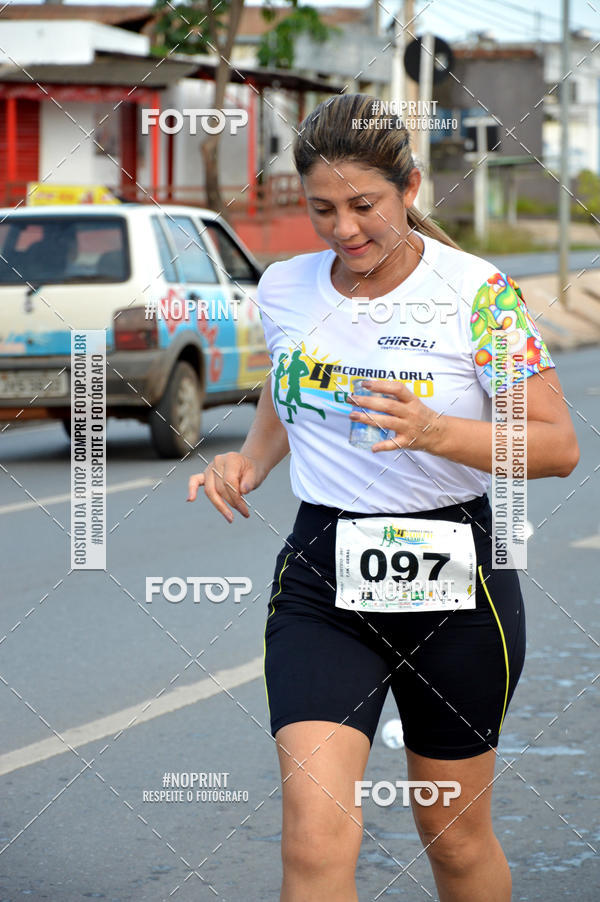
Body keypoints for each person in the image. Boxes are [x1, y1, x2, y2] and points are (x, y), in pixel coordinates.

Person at [187, 94, 580, 902]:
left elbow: (557, 446)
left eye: (363, 205)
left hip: (457, 583)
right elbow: (288, 386)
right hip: (323, 580)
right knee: (314, 834)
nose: (343, 229)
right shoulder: (286, 287)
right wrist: (251, 460)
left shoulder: (478, 293)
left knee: (454, 839)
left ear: (409, 187)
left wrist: (438, 432)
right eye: (321, 209)